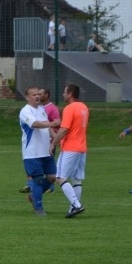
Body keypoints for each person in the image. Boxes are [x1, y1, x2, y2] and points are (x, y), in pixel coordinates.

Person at [19, 86, 61, 215]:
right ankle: (39, 208)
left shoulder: (42, 109)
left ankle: (33, 196)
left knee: (52, 177)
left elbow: (47, 128)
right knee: (37, 179)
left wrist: (56, 138)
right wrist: (52, 123)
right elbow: (35, 124)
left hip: (45, 152)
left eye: (38, 94)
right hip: (32, 153)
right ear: (27, 97)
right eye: (34, 95)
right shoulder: (25, 111)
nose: (37, 96)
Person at [49, 84, 88, 218]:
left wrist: (53, 143)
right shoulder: (84, 107)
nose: (63, 95)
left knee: (60, 177)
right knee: (76, 180)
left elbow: (65, 129)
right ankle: (73, 208)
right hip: (82, 147)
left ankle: (76, 205)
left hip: (70, 147)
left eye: (65, 92)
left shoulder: (69, 108)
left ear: (70, 94)